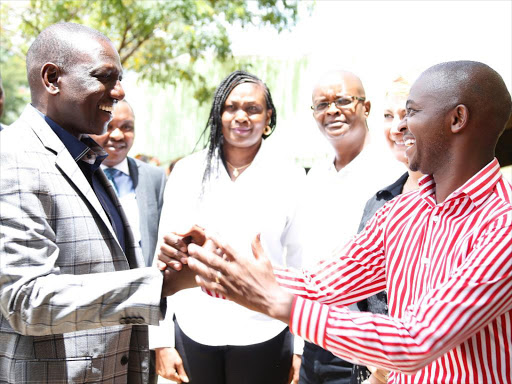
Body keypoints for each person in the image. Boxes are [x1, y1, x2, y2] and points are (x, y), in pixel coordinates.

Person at [162, 61, 512, 384]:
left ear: (457, 119)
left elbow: (416, 340)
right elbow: (324, 284)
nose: (399, 126)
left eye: (413, 112)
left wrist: (279, 304)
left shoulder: (502, 225)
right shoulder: (401, 211)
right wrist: (210, 266)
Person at [0, 22, 193, 383]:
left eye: (119, 78)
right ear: (52, 78)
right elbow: (27, 301)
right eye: (105, 77)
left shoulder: (84, 157)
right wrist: (159, 286)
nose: (119, 92)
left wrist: (169, 264)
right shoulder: (13, 157)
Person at [151, 70, 305, 384]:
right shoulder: (188, 171)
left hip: (266, 329)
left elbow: (302, 261)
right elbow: (163, 258)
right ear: (219, 114)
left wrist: (300, 346)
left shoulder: (289, 174)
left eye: (252, 109)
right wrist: (161, 340)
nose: (241, 116)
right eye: (231, 107)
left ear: (268, 117)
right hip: (195, 329)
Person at [298, 70, 392, 384]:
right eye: (322, 104)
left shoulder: (393, 173)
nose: (332, 110)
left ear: (366, 108)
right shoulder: (316, 176)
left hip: (366, 347)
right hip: (316, 338)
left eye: (343, 100)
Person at [351, 77, 423, 384]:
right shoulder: (378, 202)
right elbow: (357, 282)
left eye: (407, 114)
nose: (397, 127)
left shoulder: (454, 204)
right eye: (388, 116)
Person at [90, 99, 167, 267]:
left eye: (127, 127)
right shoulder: (78, 175)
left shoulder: (155, 178)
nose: (118, 135)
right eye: (108, 126)